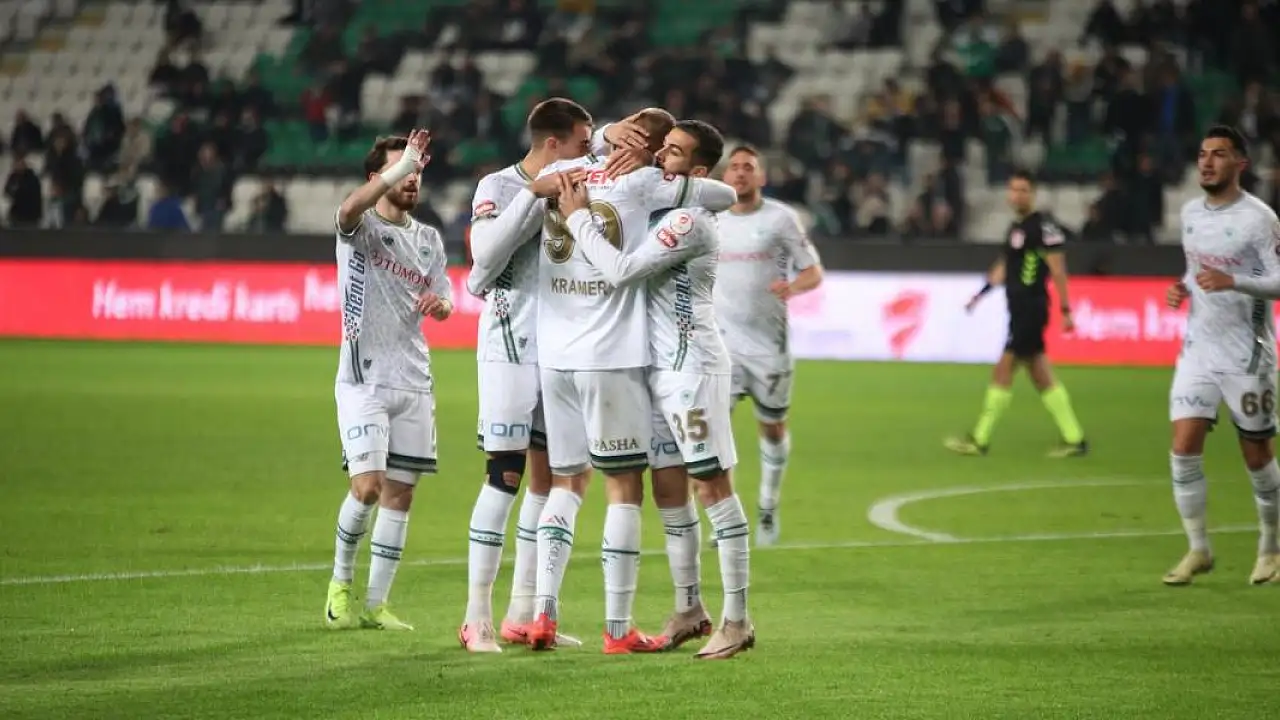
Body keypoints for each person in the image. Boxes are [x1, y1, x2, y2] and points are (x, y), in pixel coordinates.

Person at [528, 108, 738, 653]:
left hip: (672, 367)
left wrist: (582, 205)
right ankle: (665, 614)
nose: (658, 153)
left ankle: (733, 619)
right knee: (652, 489)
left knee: (702, 484)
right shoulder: (648, 189)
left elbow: (720, 197)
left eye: (670, 150)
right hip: (633, 363)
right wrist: (609, 143)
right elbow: (720, 192)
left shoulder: (674, 209)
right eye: (659, 145)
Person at [458, 98, 649, 653]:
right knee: (504, 476)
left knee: (552, 481)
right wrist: (532, 195)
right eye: (584, 143)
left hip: (563, 352)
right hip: (509, 346)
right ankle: (476, 618)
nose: (592, 153)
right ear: (552, 145)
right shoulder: (498, 185)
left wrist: (612, 133)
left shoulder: (582, 178)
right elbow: (482, 262)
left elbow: (611, 153)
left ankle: (524, 613)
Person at [325, 130, 452, 631]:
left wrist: (441, 306)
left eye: (418, 169)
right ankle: (340, 584)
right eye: (403, 170)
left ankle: (377, 605)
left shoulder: (429, 239)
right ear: (378, 176)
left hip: (414, 379)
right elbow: (347, 209)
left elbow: (444, 297)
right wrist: (400, 167)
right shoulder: (359, 229)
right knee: (368, 487)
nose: (413, 178)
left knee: (401, 494)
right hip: (364, 379)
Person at [1163, 124, 1280, 586]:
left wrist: (1235, 282)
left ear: (1240, 164)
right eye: (1202, 154)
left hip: (1247, 355)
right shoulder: (1190, 213)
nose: (1207, 162)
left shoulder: (1260, 219)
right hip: (1198, 349)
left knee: (1257, 456)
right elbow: (1194, 271)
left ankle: (1271, 547)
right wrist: (1181, 288)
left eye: (1218, 154)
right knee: (1183, 448)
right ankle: (1199, 549)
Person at [715, 146, 824, 546]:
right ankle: (726, 522)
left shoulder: (781, 219)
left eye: (748, 167)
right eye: (734, 167)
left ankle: (767, 506)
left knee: (773, 427)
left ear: (761, 177)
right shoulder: (709, 218)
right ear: (724, 176)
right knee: (715, 436)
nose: (740, 173)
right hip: (721, 347)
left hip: (768, 348)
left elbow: (813, 271)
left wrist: (792, 287)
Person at [944, 169, 1088, 458]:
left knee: (1004, 369)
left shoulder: (1044, 228)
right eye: (1013, 190)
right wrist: (980, 295)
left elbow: (1058, 269)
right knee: (1041, 374)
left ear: (1032, 193)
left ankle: (980, 438)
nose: (1017, 195)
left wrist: (1065, 308)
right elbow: (1003, 267)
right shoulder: (1015, 229)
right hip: (1019, 310)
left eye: (1023, 190)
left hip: (1031, 310)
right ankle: (1075, 438)